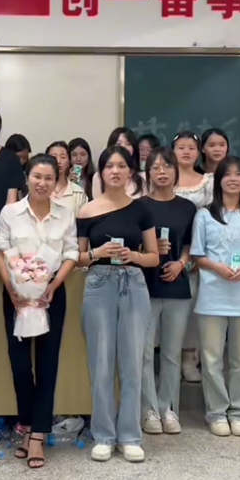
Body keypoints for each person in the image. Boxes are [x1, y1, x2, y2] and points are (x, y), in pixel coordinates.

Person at [0, 154, 78, 469]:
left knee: (47, 364)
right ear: (27, 178)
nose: (42, 183)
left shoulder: (65, 213)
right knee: (19, 365)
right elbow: (0, 249)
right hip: (15, 296)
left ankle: (38, 434)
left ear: (56, 181)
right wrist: (11, 287)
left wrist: (54, 284)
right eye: (37, 177)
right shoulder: (10, 212)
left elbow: (71, 252)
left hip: (51, 295)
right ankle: (27, 425)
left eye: (48, 178)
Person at [77, 146, 158, 463]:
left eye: (121, 166)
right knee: (100, 362)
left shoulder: (142, 209)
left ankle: (130, 436)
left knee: (132, 362)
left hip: (133, 284)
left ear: (130, 172)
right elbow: (79, 258)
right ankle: (104, 435)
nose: (115, 171)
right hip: (98, 284)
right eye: (109, 166)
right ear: (101, 172)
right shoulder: (87, 211)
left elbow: (154, 257)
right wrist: (97, 253)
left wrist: (133, 255)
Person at [192, 156, 240, 437]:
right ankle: (216, 412)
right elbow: (198, 254)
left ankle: (238, 412)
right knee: (211, 359)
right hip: (213, 295)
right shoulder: (205, 215)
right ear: (219, 180)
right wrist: (218, 268)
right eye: (228, 174)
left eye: (239, 174)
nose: (233, 179)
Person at [138, 148, 196, 436]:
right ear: (148, 173)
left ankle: (168, 408)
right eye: (156, 167)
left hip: (177, 285)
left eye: (167, 166)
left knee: (172, 353)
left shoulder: (188, 208)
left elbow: (190, 245)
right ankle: (148, 410)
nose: (161, 172)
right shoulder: (139, 206)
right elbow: (131, 244)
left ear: (176, 171)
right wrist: (148, 248)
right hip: (145, 286)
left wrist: (181, 263)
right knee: (145, 352)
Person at [172, 131, 210, 383]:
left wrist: (200, 254)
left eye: (191, 148)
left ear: (198, 152)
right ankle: (169, 359)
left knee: (193, 307)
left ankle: (189, 358)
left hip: (198, 252)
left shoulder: (208, 182)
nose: (186, 152)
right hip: (168, 250)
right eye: (181, 147)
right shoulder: (163, 177)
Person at [91, 127, 143, 199]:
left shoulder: (143, 177)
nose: (123, 147)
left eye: (128, 144)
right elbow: (97, 203)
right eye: (119, 144)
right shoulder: (98, 177)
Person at [46, 140, 87, 213]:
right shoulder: (40, 188)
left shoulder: (78, 192)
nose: (58, 161)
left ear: (69, 162)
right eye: (53, 157)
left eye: (63, 157)